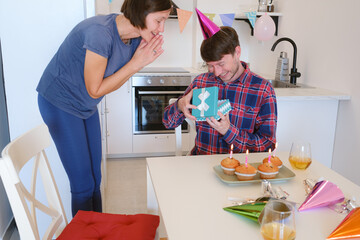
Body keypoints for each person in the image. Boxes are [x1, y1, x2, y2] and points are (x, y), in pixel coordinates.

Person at [36, 0, 172, 217]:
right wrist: (136, 64)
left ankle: (98, 229)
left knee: (95, 179)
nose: (161, 28)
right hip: (59, 102)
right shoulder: (100, 33)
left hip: (85, 104)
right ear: (140, 12)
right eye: (159, 20)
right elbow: (95, 89)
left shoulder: (136, 38)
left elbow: (107, 85)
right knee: (82, 183)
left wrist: (137, 63)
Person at [163, 26, 277, 155]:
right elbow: (168, 123)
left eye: (221, 64)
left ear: (237, 52)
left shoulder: (262, 89)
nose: (216, 72)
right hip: (201, 163)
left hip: (238, 169)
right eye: (210, 65)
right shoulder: (201, 82)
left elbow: (267, 144)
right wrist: (179, 105)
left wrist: (229, 131)